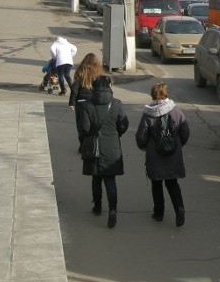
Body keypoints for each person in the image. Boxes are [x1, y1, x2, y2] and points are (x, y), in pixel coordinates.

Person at [76, 75, 128, 228]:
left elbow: (84, 128)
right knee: (110, 179)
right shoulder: (116, 104)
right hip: (112, 145)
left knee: (96, 178)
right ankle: (113, 209)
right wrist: (115, 133)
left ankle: (97, 206)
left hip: (94, 146)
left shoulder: (87, 105)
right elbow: (124, 125)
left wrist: (89, 137)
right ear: (109, 87)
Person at [135, 82, 190, 227]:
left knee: (156, 184)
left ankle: (159, 213)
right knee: (172, 183)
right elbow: (185, 131)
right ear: (166, 93)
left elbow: (141, 136)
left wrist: (144, 147)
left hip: (155, 155)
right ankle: (179, 209)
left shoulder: (148, 113)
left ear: (153, 94)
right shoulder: (176, 111)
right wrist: (178, 145)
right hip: (173, 154)